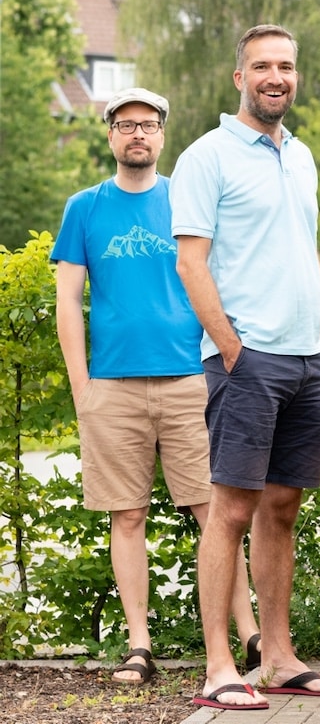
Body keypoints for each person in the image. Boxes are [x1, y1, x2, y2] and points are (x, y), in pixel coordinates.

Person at [52, 87, 259, 685]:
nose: (137, 133)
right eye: (125, 125)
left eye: (147, 124)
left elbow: (223, 276)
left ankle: (248, 636)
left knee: (217, 511)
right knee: (128, 516)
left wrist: (231, 355)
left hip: (193, 381)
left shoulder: (185, 199)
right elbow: (68, 299)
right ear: (111, 135)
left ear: (162, 135)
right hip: (112, 389)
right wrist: (81, 387)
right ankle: (140, 647)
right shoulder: (84, 208)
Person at [170, 25, 320, 710]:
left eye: (288, 66)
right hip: (248, 359)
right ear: (239, 77)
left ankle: (277, 657)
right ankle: (220, 665)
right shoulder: (208, 156)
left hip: (307, 357)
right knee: (231, 510)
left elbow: (304, 247)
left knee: (282, 509)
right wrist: (230, 345)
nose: (277, 77)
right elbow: (191, 261)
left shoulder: (299, 156)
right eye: (263, 66)